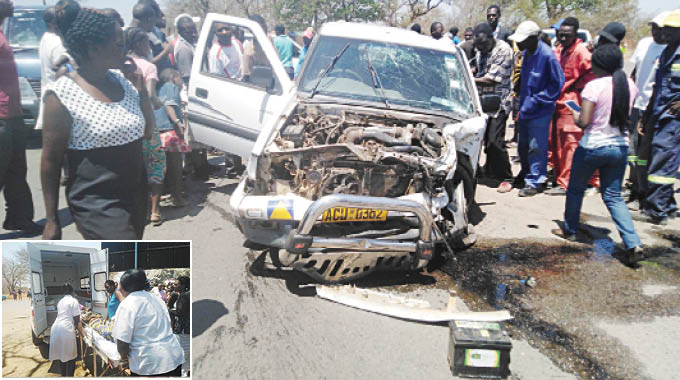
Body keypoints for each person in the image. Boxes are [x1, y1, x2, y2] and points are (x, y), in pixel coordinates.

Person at [41, 1, 154, 240]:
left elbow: (147, 131)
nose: (124, 50)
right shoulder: (61, 95)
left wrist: (142, 93)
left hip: (134, 193)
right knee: (128, 263)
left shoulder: (122, 81)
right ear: (92, 48)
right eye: (118, 44)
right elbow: (50, 162)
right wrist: (52, 220)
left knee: (123, 266)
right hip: (96, 201)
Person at [554, 44, 643, 265]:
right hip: (619, 147)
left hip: (593, 146)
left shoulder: (593, 86)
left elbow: (584, 122)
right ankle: (633, 242)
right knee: (613, 196)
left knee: (575, 189)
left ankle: (571, 230)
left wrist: (575, 112)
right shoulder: (630, 86)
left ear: (598, 64)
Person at [0, 0, 42, 235]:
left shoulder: (3, 32)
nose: (10, 2)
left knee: (17, 171)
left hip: (12, 115)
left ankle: (19, 218)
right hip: (1, 117)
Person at [509, 20, 565, 197]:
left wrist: (538, 100)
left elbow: (557, 84)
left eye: (523, 40)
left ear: (533, 38)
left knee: (536, 146)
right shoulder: (527, 53)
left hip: (540, 110)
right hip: (525, 107)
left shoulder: (547, 56)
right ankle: (525, 173)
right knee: (523, 145)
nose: (519, 43)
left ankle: (536, 180)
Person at [546, 17, 598, 196]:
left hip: (572, 102)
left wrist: (577, 86)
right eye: (560, 35)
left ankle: (566, 182)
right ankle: (560, 176)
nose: (562, 39)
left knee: (570, 144)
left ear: (575, 34)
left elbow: (592, 73)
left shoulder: (581, 52)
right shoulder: (560, 50)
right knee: (557, 143)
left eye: (566, 36)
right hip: (557, 102)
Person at [639, 10, 680, 225]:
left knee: (663, 163)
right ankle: (668, 205)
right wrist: (646, 116)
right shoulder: (666, 53)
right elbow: (657, 87)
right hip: (658, 112)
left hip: (673, 119)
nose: (668, 34)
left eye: (673, 31)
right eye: (667, 30)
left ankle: (658, 211)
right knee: (659, 159)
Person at [627, 12, 668, 210]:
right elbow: (635, 72)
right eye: (653, 28)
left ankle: (646, 195)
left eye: (660, 29)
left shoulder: (672, 50)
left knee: (648, 154)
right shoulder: (644, 44)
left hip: (656, 109)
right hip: (637, 105)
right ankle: (635, 187)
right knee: (633, 152)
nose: (655, 32)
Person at [127, 27, 167, 226]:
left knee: (135, 169)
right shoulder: (148, 67)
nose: (149, 48)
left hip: (126, 126)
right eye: (146, 44)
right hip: (147, 124)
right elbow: (150, 96)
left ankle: (139, 211)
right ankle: (155, 211)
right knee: (156, 166)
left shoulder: (120, 65)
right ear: (138, 45)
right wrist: (160, 102)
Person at [112, 269, 184, 376]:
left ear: (123, 286)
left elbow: (122, 343)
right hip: (173, 357)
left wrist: (123, 359)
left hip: (149, 365)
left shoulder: (127, 304)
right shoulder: (157, 299)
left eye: (119, 285)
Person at [472, 23, 515, 193]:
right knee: (484, 141)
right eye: (478, 46)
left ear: (492, 38)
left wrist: (468, 77)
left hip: (499, 102)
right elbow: (480, 68)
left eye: (483, 45)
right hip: (483, 101)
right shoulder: (480, 49)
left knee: (495, 141)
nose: (481, 49)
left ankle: (506, 176)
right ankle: (490, 170)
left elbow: (491, 78)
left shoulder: (503, 50)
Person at [157, 68, 190, 207]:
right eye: (180, 78)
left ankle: (162, 197)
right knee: (175, 167)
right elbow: (169, 105)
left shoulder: (161, 89)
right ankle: (177, 197)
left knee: (161, 168)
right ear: (174, 77)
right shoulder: (172, 87)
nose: (181, 82)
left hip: (158, 131)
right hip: (170, 130)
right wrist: (178, 123)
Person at [48, 283, 86, 377]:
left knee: (62, 357)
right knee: (71, 358)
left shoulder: (61, 301)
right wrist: (84, 336)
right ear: (72, 292)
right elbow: (77, 321)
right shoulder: (73, 301)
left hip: (56, 328)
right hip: (66, 330)